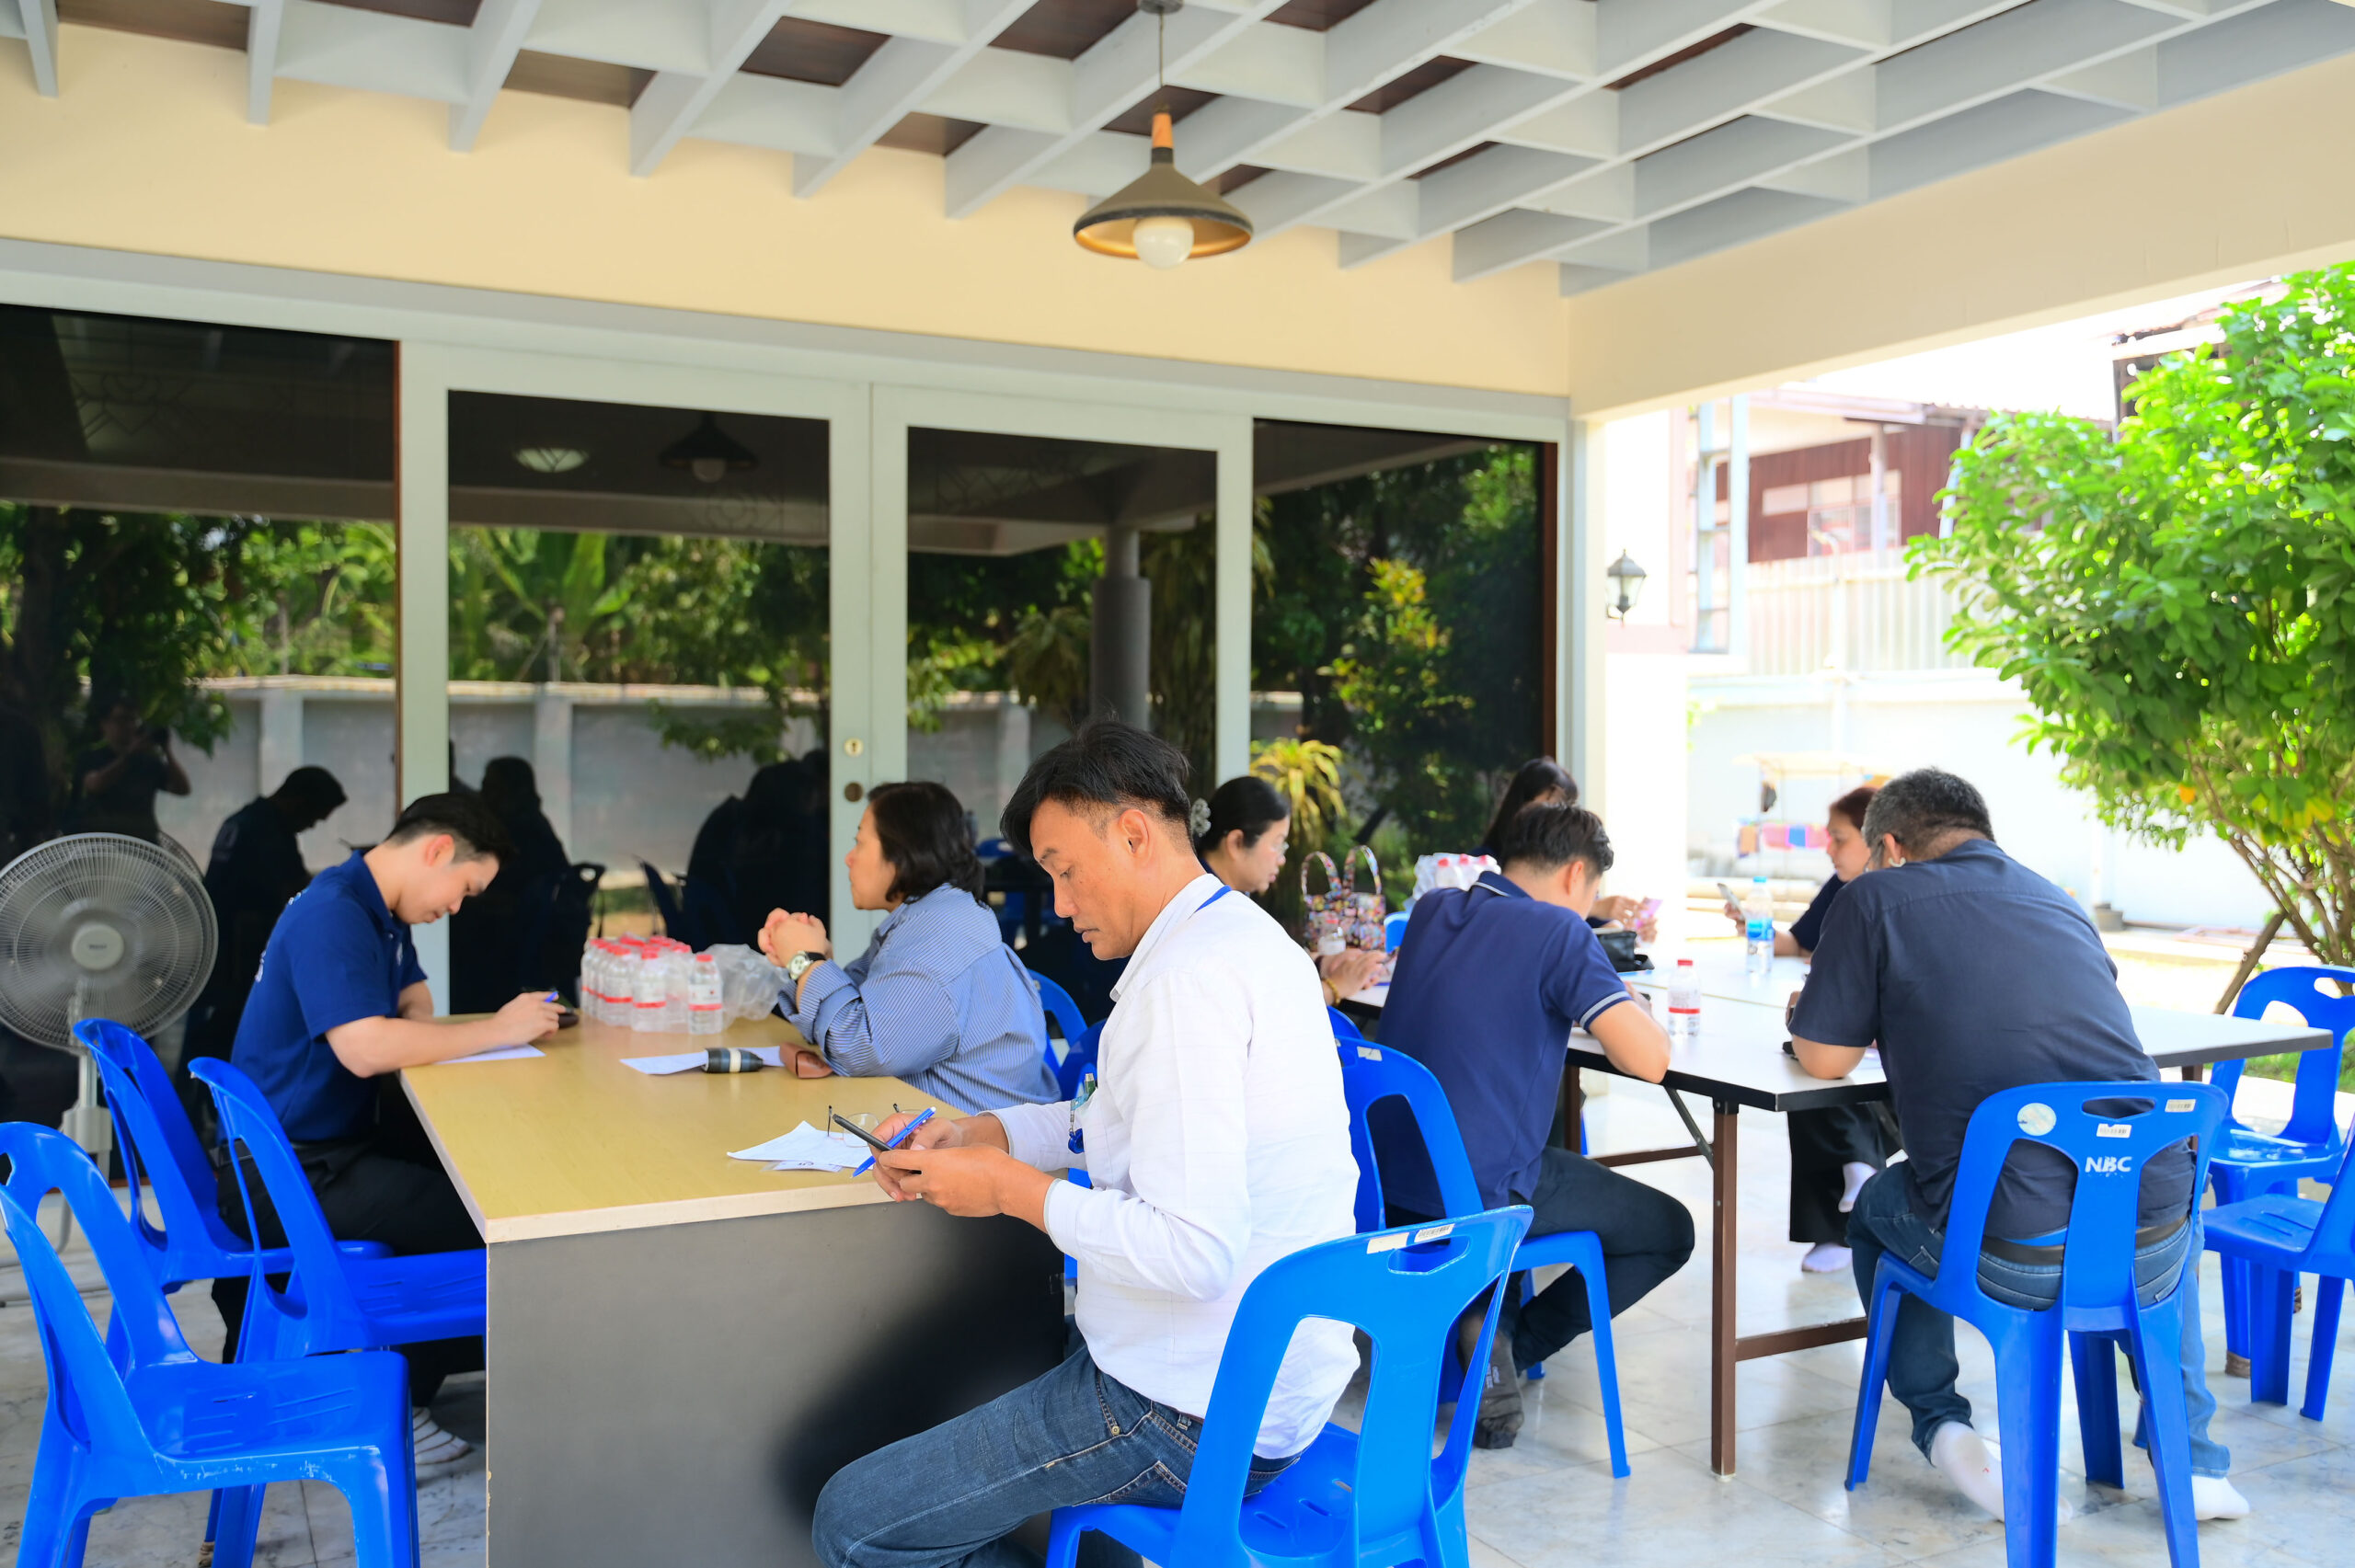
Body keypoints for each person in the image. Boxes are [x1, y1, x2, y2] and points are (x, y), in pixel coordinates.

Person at [808, 721, 1359, 1568]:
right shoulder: (1244, 939)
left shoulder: (1184, 983)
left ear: (1134, 833)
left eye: (1065, 870)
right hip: (1262, 1377)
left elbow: (1196, 1250)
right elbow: (1107, 1115)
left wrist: (1008, 1189)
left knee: (856, 1520)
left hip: (1187, 1407)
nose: (1059, 905)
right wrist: (983, 1130)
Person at [1790, 768, 2249, 1524]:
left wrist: (1820, 1010)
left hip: (2012, 1250)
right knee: (2156, 1197)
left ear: (1892, 846)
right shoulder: (2058, 899)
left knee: (1876, 1205)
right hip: (2155, 1240)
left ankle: (1945, 1428)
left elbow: (1824, 1058)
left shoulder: (1874, 897)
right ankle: (2194, 1461)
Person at [213, 792, 562, 1481]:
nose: (457, 907)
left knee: (465, 1177)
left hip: (315, 1150)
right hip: (286, 1173)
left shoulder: (376, 907)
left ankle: (406, 1373)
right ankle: (399, 1405)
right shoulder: (334, 913)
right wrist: (497, 1030)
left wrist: (433, 1030)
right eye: (465, 888)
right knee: (479, 1218)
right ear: (437, 850)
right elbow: (366, 1048)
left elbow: (414, 998)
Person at [1377, 800, 1694, 1449]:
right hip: (1480, 1192)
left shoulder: (1434, 910)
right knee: (1669, 1230)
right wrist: (1624, 994)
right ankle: (1505, 1350)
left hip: (1391, 1182)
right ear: (1577, 873)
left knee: (1516, 1146)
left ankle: (1486, 1331)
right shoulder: (1560, 932)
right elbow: (1650, 1059)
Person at [759, 781, 1056, 1111]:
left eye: (859, 843)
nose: (848, 858)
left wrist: (806, 960)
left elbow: (858, 1049)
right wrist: (812, 959)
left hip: (974, 1134)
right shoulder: (926, 919)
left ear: (901, 853)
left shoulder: (939, 937)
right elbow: (848, 1016)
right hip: (935, 1123)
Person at [1722, 784, 1891, 1275]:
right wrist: (1754, 924)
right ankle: (1845, 1201)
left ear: (1878, 839)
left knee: (1819, 1054)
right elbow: (1799, 943)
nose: (1829, 848)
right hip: (1857, 1043)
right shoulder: (1842, 888)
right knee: (1806, 1055)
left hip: (1905, 1059)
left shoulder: (1900, 896)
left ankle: (1855, 1181)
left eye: (1839, 838)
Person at [181, 766, 350, 1113]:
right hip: (239, 951)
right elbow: (291, 889)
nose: (312, 825)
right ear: (299, 799)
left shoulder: (244, 820)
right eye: (315, 815)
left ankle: (200, 1106)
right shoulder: (268, 830)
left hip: (218, 944)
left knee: (213, 1030)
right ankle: (219, 1109)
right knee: (229, 1032)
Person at [1192, 774, 1383, 1007]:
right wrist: (1336, 987)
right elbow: (1266, 1001)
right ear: (1236, 843)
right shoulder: (1210, 911)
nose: (1281, 859)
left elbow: (1267, 965)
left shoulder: (1215, 892)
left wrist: (1323, 963)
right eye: (1276, 844)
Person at [1476, 756, 1654, 938]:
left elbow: (1599, 933)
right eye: (1549, 806)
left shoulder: (1571, 866)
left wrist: (1630, 934)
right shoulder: (1476, 867)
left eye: (1566, 808)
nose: (1558, 818)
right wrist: (1596, 908)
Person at [451, 757, 575, 1012]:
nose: (483, 792)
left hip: (516, 935)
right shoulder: (525, 823)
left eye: (491, 786)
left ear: (510, 790)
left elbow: (513, 895)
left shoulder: (521, 833)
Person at [73, 692, 190, 841]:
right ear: (104, 724)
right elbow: (95, 784)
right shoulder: (91, 758)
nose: (128, 726)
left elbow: (182, 789)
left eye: (133, 720)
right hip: (103, 842)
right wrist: (128, 756)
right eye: (121, 720)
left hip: (143, 843)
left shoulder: (148, 762)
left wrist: (166, 750)